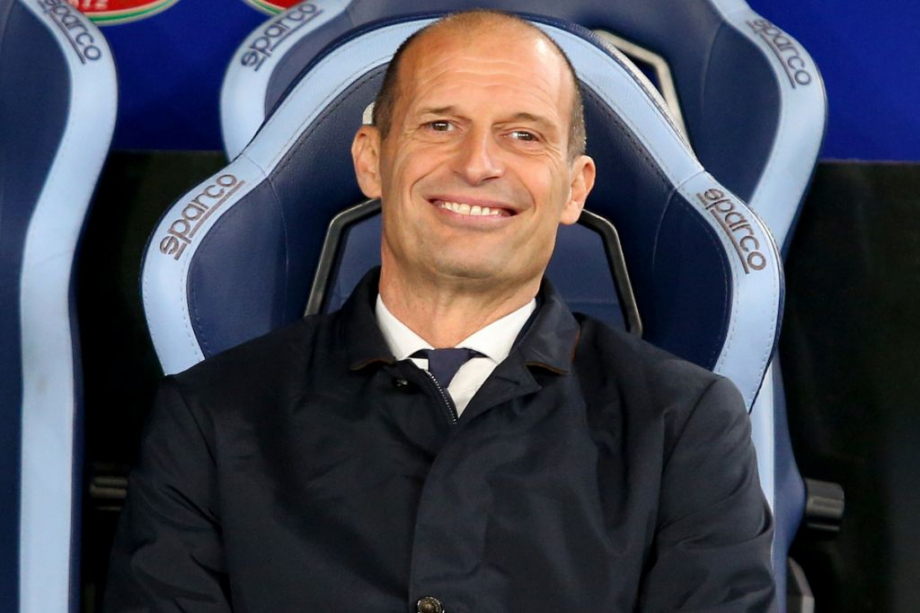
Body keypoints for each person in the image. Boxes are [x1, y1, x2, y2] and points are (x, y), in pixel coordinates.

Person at [105, 10, 776, 612]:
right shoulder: (210, 416)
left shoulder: (683, 424)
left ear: (575, 189)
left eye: (523, 135)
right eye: (440, 125)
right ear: (372, 159)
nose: (478, 164)